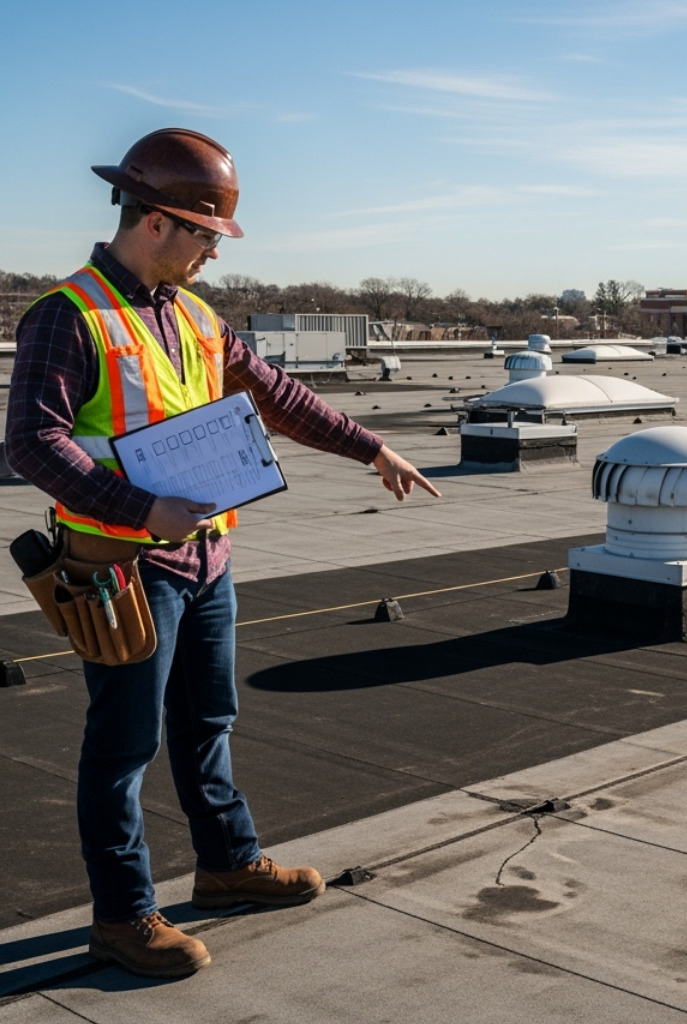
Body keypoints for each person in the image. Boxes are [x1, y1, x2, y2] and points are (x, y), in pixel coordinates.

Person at [3, 128, 442, 978]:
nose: (213, 253)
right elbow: (32, 443)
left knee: (207, 723)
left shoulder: (197, 317)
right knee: (123, 745)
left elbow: (276, 396)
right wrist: (141, 507)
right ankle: (123, 916)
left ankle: (227, 865)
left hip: (206, 562)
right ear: (157, 222)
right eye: (206, 234)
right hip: (122, 570)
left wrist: (369, 448)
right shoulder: (67, 315)